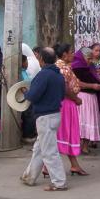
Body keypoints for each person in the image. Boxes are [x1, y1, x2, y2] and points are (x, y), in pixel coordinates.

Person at [20, 47, 68, 191]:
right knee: (39, 148)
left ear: (41, 59)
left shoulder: (43, 75)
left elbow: (33, 96)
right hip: (54, 114)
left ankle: (59, 182)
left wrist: (26, 93)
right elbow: (61, 95)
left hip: (45, 116)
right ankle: (29, 176)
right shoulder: (58, 75)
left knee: (48, 151)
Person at [54, 44, 87, 176]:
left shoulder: (63, 66)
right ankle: (47, 166)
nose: (73, 55)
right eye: (71, 52)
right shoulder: (63, 68)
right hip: (66, 103)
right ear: (64, 55)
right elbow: (65, 87)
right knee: (64, 133)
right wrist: (76, 99)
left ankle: (74, 165)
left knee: (64, 133)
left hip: (66, 102)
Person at [71, 49, 100, 155]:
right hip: (81, 96)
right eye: (88, 58)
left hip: (91, 97)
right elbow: (76, 83)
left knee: (89, 120)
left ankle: (85, 146)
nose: (90, 60)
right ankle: (77, 145)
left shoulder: (90, 66)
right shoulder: (76, 67)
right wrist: (92, 86)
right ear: (82, 56)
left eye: (91, 58)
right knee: (80, 121)